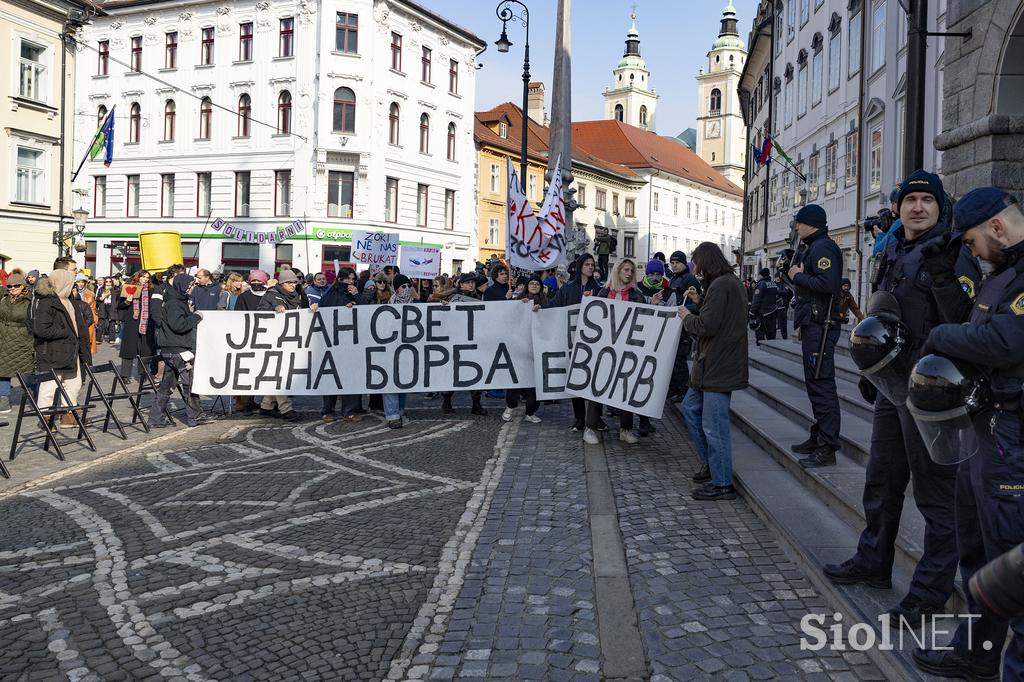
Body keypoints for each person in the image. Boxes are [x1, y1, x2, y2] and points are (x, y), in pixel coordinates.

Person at [822, 170, 980, 627]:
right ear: (898, 207)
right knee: (882, 479)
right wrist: (874, 367)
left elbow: (965, 321)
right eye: (910, 199)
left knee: (935, 496)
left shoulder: (952, 253)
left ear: (938, 207)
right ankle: (873, 561)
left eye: (926, 201)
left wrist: (944, 276)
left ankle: (928, 593)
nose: (917, 207)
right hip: (893, 384)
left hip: (933, 390)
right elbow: (883, 308)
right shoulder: (893, 248)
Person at [910, 187, 1024, 680]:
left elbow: (1003, 341)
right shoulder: (1001, 276)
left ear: (998, 228)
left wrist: (938, 337)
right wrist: (941, 277)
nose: (971, 252)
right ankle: (975, 654)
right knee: (976, 550)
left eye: (973, 241)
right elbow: (971, 320)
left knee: (1010, 561)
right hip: (987, 430)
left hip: (1012, 437)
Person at [678, 242, 748, 501]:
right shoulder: (726, 283)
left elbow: (707, 324)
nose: (694, 267)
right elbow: (720, 314)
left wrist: (686, 316)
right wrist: (701, 300)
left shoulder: (721, 285)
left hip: (719, 366)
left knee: (714, 425)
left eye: (696, 261)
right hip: (712, 364)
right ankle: (712, 463)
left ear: (706, 261)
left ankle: (722, 483)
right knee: (690, 407)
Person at [787, 204, 844, 467]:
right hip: (814, 323)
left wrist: (798, 276)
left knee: (822, 385)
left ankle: (827, 447)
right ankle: (819, 435)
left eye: (799, 223)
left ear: (811, 224)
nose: (797, 227)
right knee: (815, 383)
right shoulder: (814, 246)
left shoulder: (823, 248)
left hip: (821, 325)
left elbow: (827, 284)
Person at [586, 258, 647, 445]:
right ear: (618, 271)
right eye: (625, 270)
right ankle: (590, 428)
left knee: (625, 388)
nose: (629, 273)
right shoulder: (603, 293)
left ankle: (625, 429)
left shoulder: (637, 295)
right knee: (597, 389)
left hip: (627, 350)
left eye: (631, 271)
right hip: (604, 349)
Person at [546, 253, 603, 435]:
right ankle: (579, 417)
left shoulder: (600, 289)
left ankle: (596, 417)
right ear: (580, 267)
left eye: (592, 264)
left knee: (595, 381)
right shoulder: (568, 289)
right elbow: (554, 306)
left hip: (594, 343)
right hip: (573, 342)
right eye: (586, 264)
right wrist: (537, 307)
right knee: (576, 380)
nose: (590, 267)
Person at [30, 270, 90, 429]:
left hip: (71, 350)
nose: (73, 287)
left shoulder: (69, 300)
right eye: (71, 283)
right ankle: (46, 418)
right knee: (49, 386)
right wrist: (65, 332)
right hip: (53, 351)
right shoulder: (46, 301)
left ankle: (68, 416)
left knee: (73, 384)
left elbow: (80, 326)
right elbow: (41, 329)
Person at [149, 273, 206, 428]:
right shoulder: (175, 303)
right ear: (183, 286)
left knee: (166, 386)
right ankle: (195, 416)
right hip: (178, 350)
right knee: (190, 385)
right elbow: (178, 325)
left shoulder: (174, 300)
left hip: (171, 349)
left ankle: (156, 418)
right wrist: (195, 317)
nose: (191, 288)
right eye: (190, 286)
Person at [256, 270, 304, 421]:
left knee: (278, 373)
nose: (293, 285)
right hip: (273, 339)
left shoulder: (298, 296)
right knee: (279, 374)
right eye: (290, 283)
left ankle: (266, 406)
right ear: (282, 283)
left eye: (295, 282)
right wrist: (273, 310)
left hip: (290, 339)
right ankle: (286, 409)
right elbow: (260, 313)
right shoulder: (271, 295)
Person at [319, 267, 363, 423]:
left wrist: (356, 296)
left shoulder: (355, 293)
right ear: (340, 279)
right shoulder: (330, 294)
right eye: (348, 279)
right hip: (333, 342)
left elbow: (366, 311)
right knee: (331, 377)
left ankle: (349, 410)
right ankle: (327, 410)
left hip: (351, 342)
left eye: (353, 279)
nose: (351, 282)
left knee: (350, 376)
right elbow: (325, 311)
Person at [440, 273, 488, 416]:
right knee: (454, 373)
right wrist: (444, 307)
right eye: (467, 282)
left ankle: (476, 404)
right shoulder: (452, 298)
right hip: (456, 339)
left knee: (474, 372)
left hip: (472, 340)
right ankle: (446, 402)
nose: (471, 285)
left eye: (473, 282)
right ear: (460, 284)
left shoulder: (477, 298)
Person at [503, 275, 546, 424]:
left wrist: (542, 309)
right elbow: (507, 317)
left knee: (535, 384)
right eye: (531, 283)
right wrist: (515, 304)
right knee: (516, 381)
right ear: (526, 286)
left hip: (538, 348)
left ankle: (531, 411)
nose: (534, 285)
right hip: (520, 347)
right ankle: (510, 407)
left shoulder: (546, 302)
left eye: (537, 283)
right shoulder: (519, 301)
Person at [382, 274, 418, 428]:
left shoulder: (417, 304)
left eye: (409, 286)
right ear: (396, 289)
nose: (407, 289)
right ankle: (392, 415)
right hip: (390, 348)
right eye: (403, 286)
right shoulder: (386, 304)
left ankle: (400, 409)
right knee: (390, 381)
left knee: (403, 381)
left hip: (408, 349)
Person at [667, 252, 701, 401]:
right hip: (673, 324)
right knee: (672, 359)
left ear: (683, 263)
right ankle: (674, 388)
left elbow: (697, 303)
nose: (674, 265)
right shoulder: (673, 279)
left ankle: (683, 390)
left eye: (677, 262)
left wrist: (685, 311)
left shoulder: (690, 279)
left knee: (680, 358)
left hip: (683, 324)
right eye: (672, 263)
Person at [0, 274, 34, 415]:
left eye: (16, 286)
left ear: (23, 286)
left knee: (27, 371)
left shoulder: (30, 300)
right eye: (10, 286)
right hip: (3, 338)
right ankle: (3, 401)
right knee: (2, 370)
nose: (12, 288)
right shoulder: (4, 299)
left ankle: (39, 398)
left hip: (22, 339)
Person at [117, 270, 157, 382]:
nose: (145, 279)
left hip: (146, 322)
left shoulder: (151, 290)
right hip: (132, 322)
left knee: (145, 349)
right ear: (138, 277)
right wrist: (127, 302)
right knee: (129, 349)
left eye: (147, 277)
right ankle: (125, 375)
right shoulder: (129, 288)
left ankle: (143, 374)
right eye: (143, 277)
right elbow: (119, 306)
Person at [748, 267, 780, 343]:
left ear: (761, 275)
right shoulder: (773, 284)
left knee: (760, 334)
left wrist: (751, 312)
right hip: (773, 311)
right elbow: (777, 296)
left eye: (759, 275)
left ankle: (760, 349)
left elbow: (756, 300)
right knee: (771, 335)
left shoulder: (761, 284)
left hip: (762, 313)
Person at [74, 275, 98, 356]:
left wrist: (93, 321)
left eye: (82, 282)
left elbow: (93, 309)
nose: (80, 284)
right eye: (78, 282)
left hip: (87, 320)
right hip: (75, 320)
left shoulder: (90, 294)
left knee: (87, 344)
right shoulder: (70, 293)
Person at [95, 277, 118, 344]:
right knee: (101, 323)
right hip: (103, 306)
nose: (108, 283)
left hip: (112, 307)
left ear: (112, 282)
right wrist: (103, 296)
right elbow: (98, 298)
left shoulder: (115, 290)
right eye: (107, 281)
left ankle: (112, 339)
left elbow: (117, 300)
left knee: (112, 324)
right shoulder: (101, 289)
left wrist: (115, 306)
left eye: (110, 281)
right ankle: (98, 339)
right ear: (104, 282)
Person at [775, 274, 793, 339]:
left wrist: (777, 291)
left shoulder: (784, 285)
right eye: (776, 278)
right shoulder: (774, 284)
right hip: (775, 306)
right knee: (774, 322)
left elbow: (785, 292)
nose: (777, 279)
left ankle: (784, 337)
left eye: (778, 278)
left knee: (783, 323)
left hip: (783, 306)